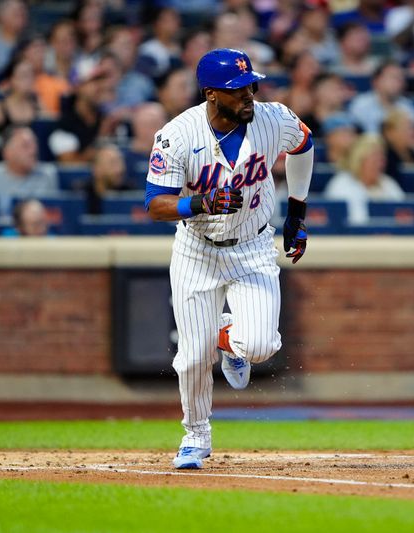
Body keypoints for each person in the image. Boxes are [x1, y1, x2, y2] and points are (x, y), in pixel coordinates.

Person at [144, 48, 315, 470]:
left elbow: (305, 144)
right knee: (192, 357)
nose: (248, 95)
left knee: (259, 346)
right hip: (197, 251)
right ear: (211, 94)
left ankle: (228, 337)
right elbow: (155, 204)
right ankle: (195, 438)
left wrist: (297, 211)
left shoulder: (272, 118)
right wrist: (200, 202)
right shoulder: (177, 135)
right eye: (237, 89)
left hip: (253, 247)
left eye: (251, 86)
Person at [0, 127, 59, 215]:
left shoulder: (47, 174)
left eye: (34, 144)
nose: (33, 151)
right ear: (7, 152)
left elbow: (53, 215)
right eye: (25, 146)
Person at [324, 133, 405, 225]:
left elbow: (404, 216)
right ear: (359, 160)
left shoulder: (389, 184)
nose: (380, 164)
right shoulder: (340, 185)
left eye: (382, 159)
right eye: (374, 159)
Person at [348, 62, 414, 134]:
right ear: (376, 81)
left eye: (401, 79)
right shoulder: (361, 104)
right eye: (393, 77)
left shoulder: (406, 106)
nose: (398, 82)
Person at [381, 109, 414, 187]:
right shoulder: (385, 159)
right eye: (405, 128)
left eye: (412, 127)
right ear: (389, 133)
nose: (411, 132)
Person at [0, 0, 29, 80]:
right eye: (16, 13)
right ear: (0, 16)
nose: (22, 14)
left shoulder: (32, 45)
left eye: (23, 13)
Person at [86, 144, 133, 214]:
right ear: (97, 169)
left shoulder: (130, 192)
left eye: (120, 162)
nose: (120, 169)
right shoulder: (80, 195)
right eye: (113, 163)